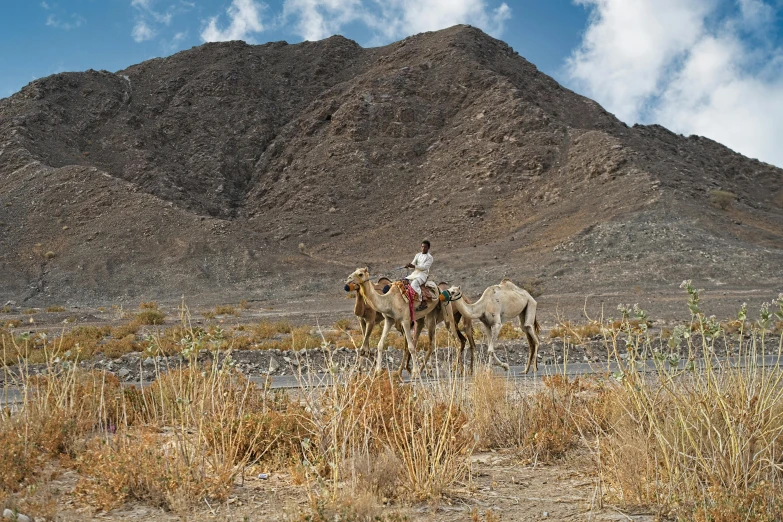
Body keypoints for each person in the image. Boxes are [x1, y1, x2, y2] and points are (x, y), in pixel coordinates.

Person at [405, 240, 433, 311]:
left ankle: (422, 301)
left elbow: (424, 268)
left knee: (414, 284)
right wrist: (408, 266)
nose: (423, 248)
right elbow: (413, 264)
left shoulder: (430, 257)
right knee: (403, 282)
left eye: (425, 247)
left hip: (423, 275)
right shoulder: (417, 255)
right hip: (415, 273)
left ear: (428, 248)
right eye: (422, 247)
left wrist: (413, 266)